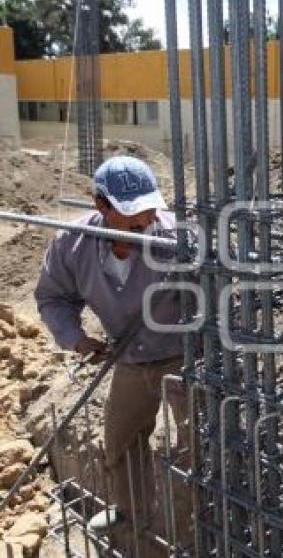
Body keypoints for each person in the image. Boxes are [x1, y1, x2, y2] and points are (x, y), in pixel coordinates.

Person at [34, 156, 187, 551]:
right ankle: (131, 511)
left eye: (150, 209)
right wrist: (76, 338)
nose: (146, 221)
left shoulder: (181, 237)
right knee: (121, 438)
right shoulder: (72, 243)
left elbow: (221, 292)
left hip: (184, 355)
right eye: (133, 214)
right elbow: (53, 297)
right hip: (130, 356)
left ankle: (205, 513)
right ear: (100, 205)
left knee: (202, 439)